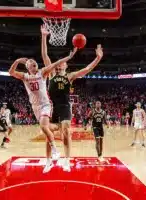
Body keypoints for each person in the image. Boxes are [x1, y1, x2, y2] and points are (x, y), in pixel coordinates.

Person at [41, 25, 103, 172]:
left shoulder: (69, 76)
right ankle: (49, 161)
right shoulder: (51, 74)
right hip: (53, 108)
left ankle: (67, 160)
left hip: (65, 107)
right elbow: (45, 56)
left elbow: (86, 70)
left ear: (66, 65)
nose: (59, 63)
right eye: (58, 62)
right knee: (48, 133)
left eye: (62, 62)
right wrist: (44, 36)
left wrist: (98, 58)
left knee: (66, 131)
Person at [9, 49, 76, 173]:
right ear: (27, 66)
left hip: (46, 105)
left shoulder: (42, 73)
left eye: (35, 63)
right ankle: (50, 159)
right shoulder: (25, 76)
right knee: (47, 130)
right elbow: (11, 72)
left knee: (43, 127)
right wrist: (18, 60)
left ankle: (55, 151)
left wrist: (68, 57)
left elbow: (55, 63)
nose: (34, 65)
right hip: (35, 107)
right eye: (31, 64)